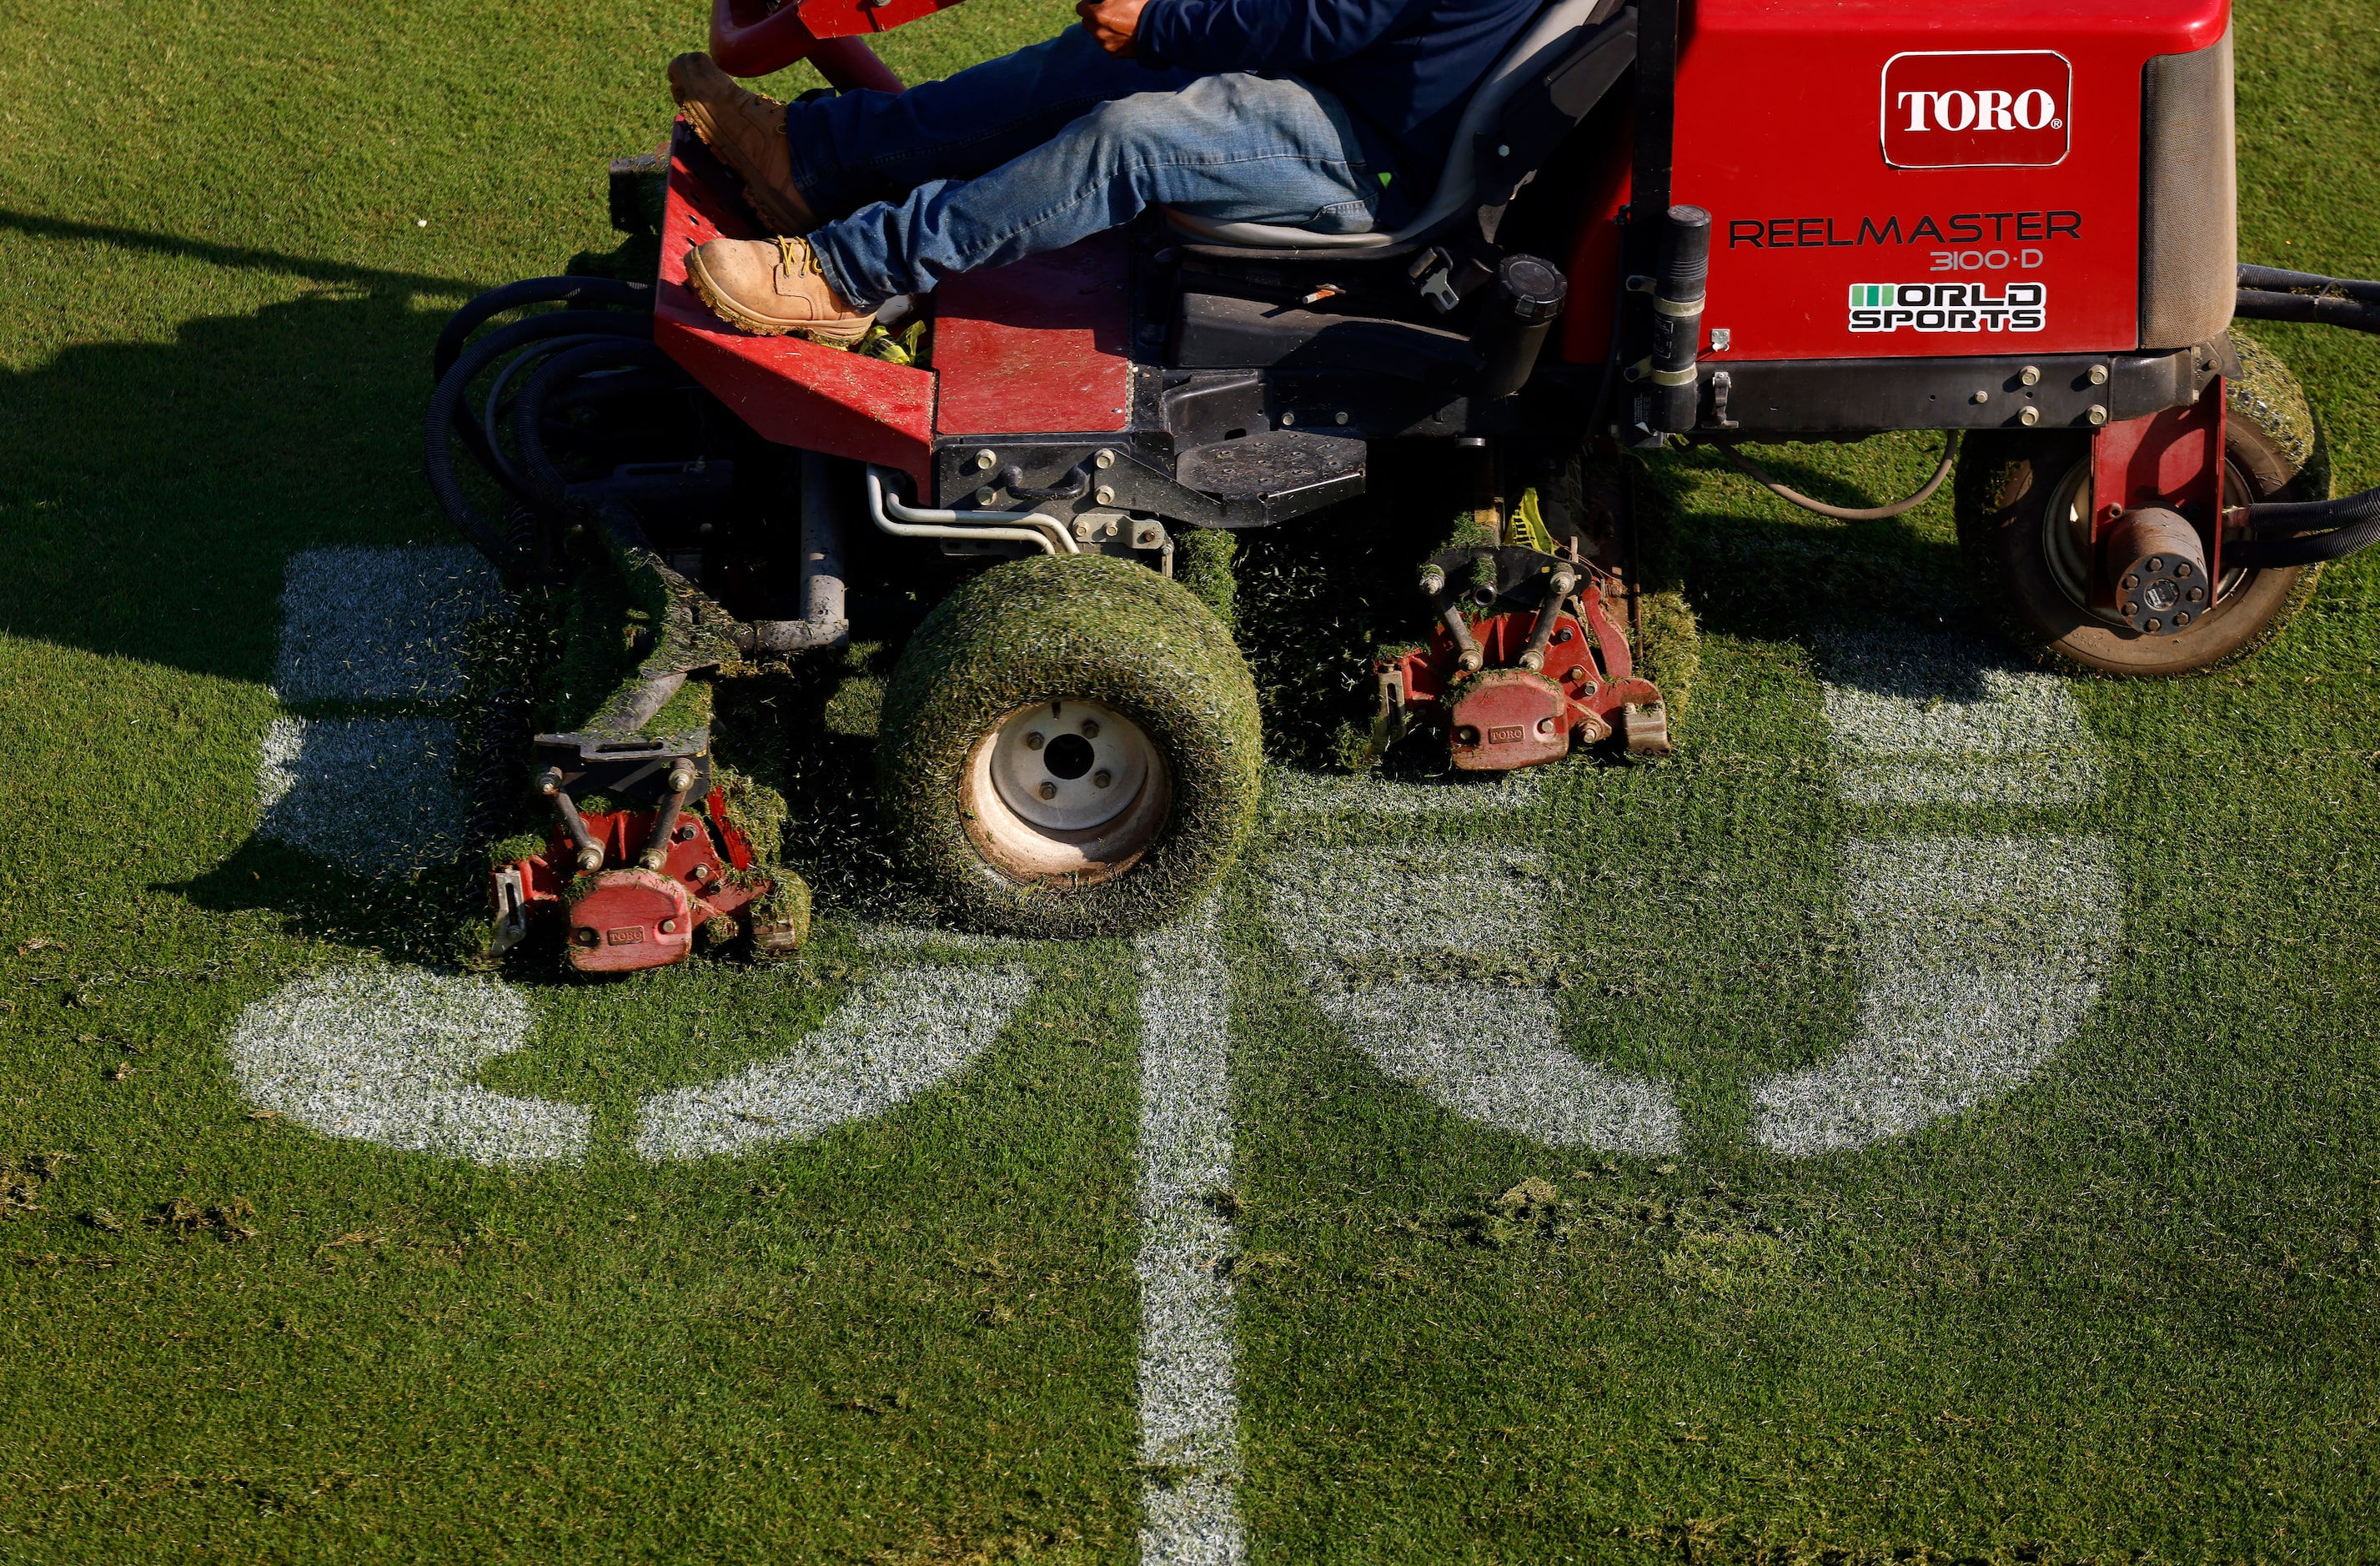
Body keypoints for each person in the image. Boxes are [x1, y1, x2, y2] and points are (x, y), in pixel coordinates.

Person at [668, 0, 1546, 343]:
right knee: (1085, 65)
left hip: (1372, 160)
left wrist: (1164, 23)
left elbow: (1330, 19)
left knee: (1134, 135)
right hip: (1345, 87)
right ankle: (814, 163)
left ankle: (846, 275)